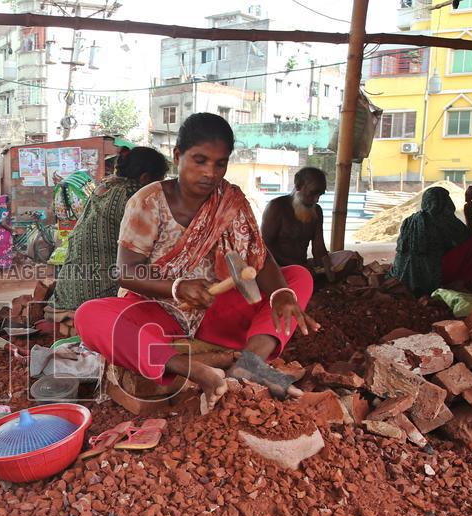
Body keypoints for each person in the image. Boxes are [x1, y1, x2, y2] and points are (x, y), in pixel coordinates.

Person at [76, 113, 318, 408]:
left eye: (220, 163)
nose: (210, 173)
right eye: (200, 160)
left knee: (297, 278)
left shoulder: (231, 201)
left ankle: (250, 363)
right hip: (159, 312)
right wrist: (178, 288)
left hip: (214, 312)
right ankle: (194, 369)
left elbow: (259, 258)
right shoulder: (148, 201)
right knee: (89, 315)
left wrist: (281, 293)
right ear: (178, 156)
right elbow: (126, 272)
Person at [51, 147, 170, 311]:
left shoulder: (103, 187)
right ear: (145, 178)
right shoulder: (135, 195)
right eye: (160, 181)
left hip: (66, 291)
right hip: (97, 296)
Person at [261, 167, 363, 280]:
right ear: (298, 186)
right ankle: (313, 280)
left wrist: (326, 266)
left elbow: (319, 248)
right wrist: (296, 265)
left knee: (351, 257)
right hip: (279, 267)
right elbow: (263, 246)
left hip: (304, 266)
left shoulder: (317, 211)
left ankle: (318, 280)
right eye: (313, 193)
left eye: (320, 195)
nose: (316, 199)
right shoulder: (276, 207)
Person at [389, 185, 472, 297]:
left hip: (402, 276)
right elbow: (470, 241)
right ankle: (459, 283)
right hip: (434, 277)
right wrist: (469, 217)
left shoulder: (409, 221)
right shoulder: (444, 219)